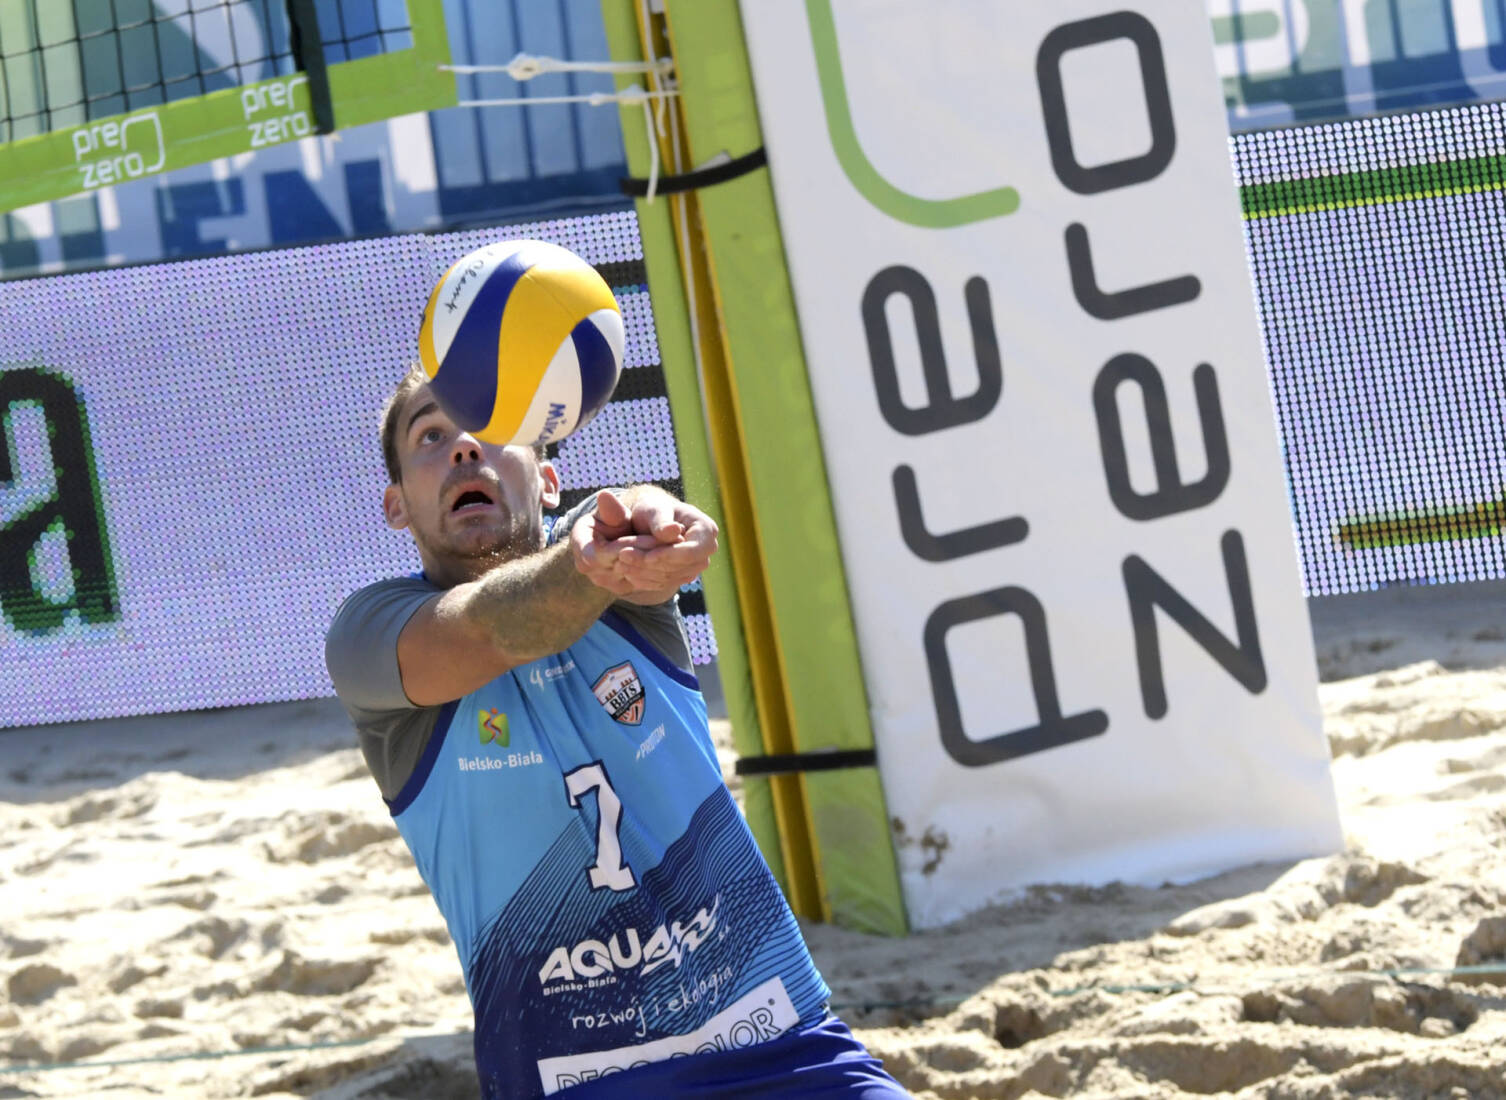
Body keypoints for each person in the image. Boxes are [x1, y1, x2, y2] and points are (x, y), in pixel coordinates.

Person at [325, 365, 910, 1098]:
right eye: (431, 436)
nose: (466, 447)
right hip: (578, 1080)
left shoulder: (613, 569)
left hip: (775, 1036)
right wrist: (605, 561)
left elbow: (631, 506)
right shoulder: (368, 637)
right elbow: (500, 624)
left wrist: (657, 521)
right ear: (397, 506)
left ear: (547, 480)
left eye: (492, 426)